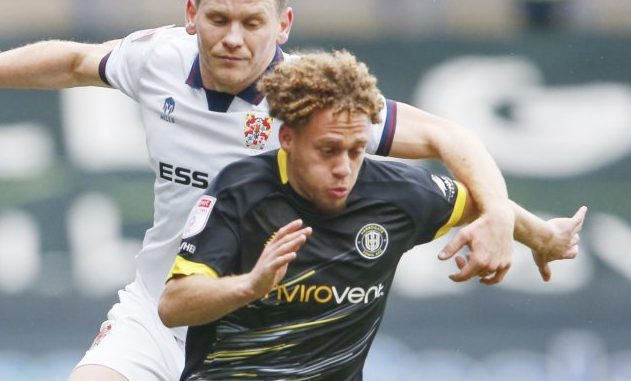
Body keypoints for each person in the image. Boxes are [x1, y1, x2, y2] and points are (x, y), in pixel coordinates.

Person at [0, 1, 518, 380]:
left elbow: (444, 136)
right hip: (162, 308)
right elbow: (71, 62)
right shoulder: (157, 59)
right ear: (191, 14)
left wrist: (498, 213)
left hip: (257, 337)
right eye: (218, 20)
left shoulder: (309, 101)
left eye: (252, 23)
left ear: (283, 25)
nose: (233, 38)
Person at [158, 50, 587, 381]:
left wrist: (543, 237)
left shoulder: (396, 192)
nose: (344, 167)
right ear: (287, 138)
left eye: (356, 150)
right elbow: (173, 306)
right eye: (327, 150)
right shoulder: (241, 190)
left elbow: (486, 205)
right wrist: (250, 286)